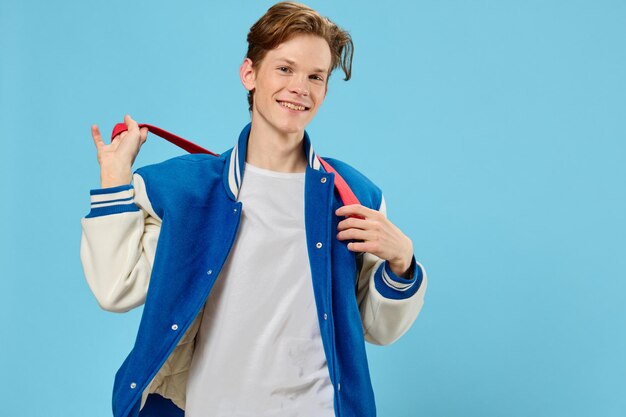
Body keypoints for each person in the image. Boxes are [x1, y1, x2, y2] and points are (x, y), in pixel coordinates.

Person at [80, 2, 427, 417]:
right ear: (250, 74)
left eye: (315, 76)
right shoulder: (189, 193)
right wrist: (114, 177)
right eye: (284, 69)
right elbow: (116, 287)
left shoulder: (354, 195)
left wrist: (403, 263)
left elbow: (377, 328)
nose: (300, 86)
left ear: (325, 90)